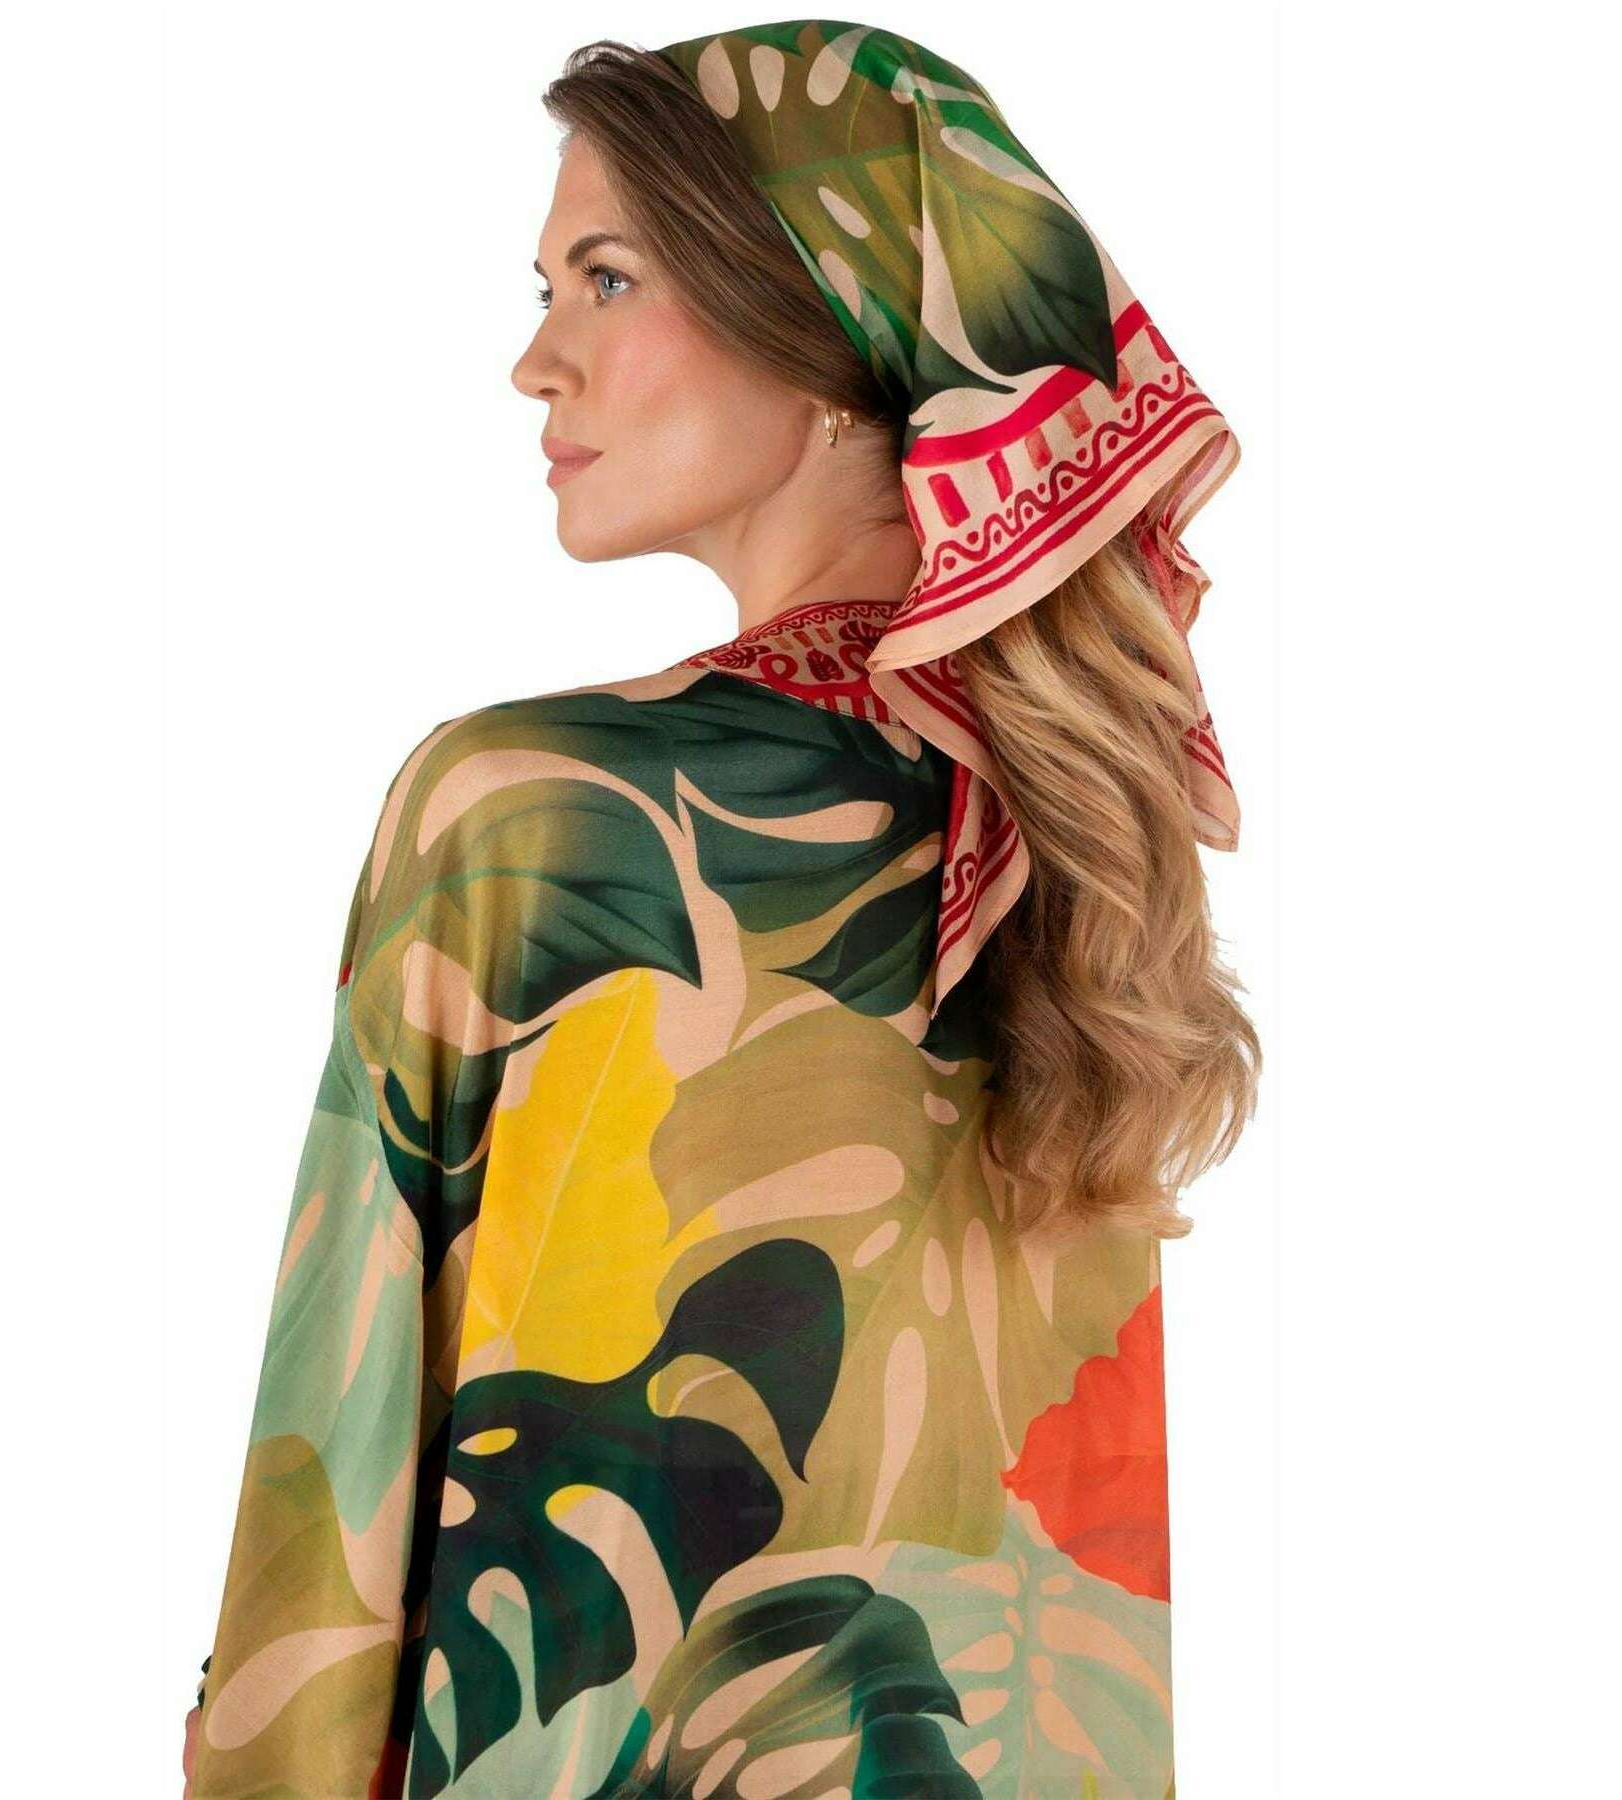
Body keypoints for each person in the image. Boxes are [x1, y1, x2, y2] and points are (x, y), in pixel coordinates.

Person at [183, 19, 1258, 1797]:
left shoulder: (536, 813)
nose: (538, 360)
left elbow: (341, 1450)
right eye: (547, 289)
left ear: (828, 332)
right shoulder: (1078, 840)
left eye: (607, 280)